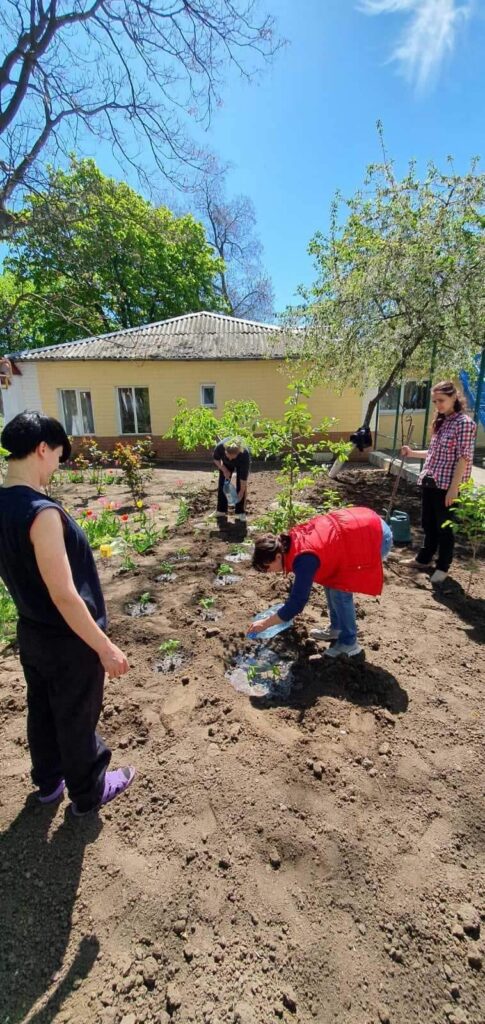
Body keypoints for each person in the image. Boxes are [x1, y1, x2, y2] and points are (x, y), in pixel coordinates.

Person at [0, 411, 135, 815]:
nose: (57, 467)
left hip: (32, 631)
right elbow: (63, 594)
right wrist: (105, 647)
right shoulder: (40, 512)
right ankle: (89, 792)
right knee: (77, 715)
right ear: (42, 449)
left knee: (42, 709)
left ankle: (48, 782)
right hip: (68, 639)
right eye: (58, 456)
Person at [250, 507, 393, 658]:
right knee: (331, 581)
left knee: (340, 591)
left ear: (278, 557)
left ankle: (349, 644)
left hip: (372, 536)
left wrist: (264, 624)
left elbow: (297, 603)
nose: (269, 572)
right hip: (354, 528)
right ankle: (337, 628)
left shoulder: (303, 558)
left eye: (267, 567)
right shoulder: (289, 543)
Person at [401, 380, 477, 584]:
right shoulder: (442, 421)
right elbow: (434, 452)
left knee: (444, 528)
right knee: (428, 523)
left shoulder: (464, 423)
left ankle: (443, 566)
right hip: (432, 480)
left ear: (454, 397)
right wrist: (412, 453)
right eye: (435, 401)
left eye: (441, 400)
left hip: (447, 486)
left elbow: (464, 458)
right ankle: (424, 559)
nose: (438, 405)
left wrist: (454, 488)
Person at [213, 437, 250, 523]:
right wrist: (224, 470)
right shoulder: (220, 447)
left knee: (241, 487)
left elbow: (243, 478)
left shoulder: (244, 455)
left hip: (240, 464)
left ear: (238, 453)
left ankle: (240, 512)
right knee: (223, 483)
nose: (230, 459)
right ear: (225, 451)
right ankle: (221, 510)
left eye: (232, 457)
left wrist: (241, 492)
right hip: (225, 464)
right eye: (228, 456)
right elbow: (216, 459)